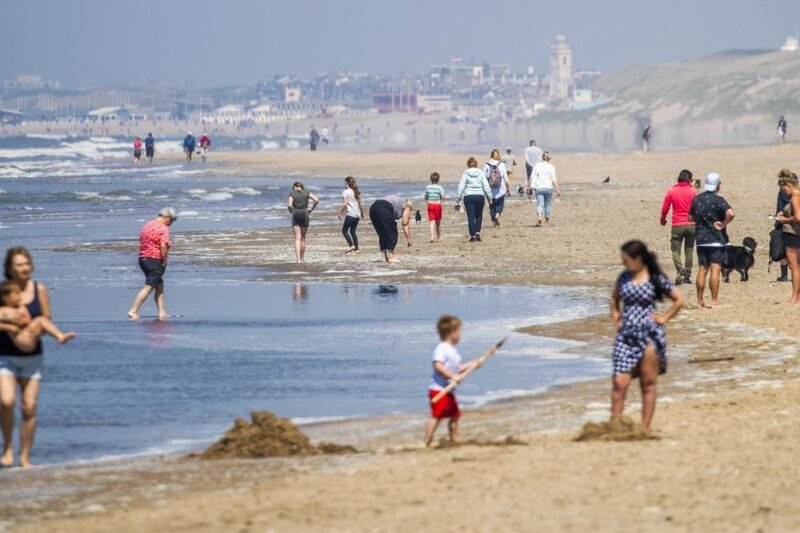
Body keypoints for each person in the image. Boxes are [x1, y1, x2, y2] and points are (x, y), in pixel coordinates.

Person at [610, 240, 684, 430]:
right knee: (619, 382)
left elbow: (678, 299)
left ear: (638, 259)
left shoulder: (655, 278)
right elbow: (614, 298)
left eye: (626, 260)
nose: (624, 263)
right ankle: (615, 425)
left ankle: (645, 427)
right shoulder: (624, 278)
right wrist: (617, 317)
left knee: (648, 383)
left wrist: (665, 317)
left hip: (649, 334)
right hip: (625, 336)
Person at [0, 247, 53, 468]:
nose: (24, 268)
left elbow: (47, 317)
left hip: (33, 357)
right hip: (5, 356)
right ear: (10, 268)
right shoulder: (3, 291)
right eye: (19, 264)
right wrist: (12, 326)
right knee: (7, 401)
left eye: (27, 263)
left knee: (29, 406)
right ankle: (9, 448)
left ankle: (25, 457)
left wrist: (34, 328)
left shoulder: (38, 288)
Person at [424, 315, 483, 446]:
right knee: (437, 416)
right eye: (459, 331)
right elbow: (438, 366)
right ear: (451, 333)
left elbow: (458, 369)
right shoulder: (441, 348)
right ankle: (427, 440)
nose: (460, 334)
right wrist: (452, 377)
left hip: (449, 390)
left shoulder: (453, 351)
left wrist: (473, 364)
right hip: (438, 389)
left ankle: (454, 439)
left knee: (455, 415)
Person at [689, 173, 735, 309]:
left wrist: (701, 220)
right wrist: (723, 223)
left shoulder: (697, 199)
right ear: (717, 186)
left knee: (702, 269)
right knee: (715, 269)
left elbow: (690, 217)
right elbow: (731, 213)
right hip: (716, 238)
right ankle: (714, 301)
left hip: (701, 238)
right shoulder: (719, 200)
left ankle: (699, 301)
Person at [127, 208, 178, 320]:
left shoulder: (147, 225)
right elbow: (163, 245)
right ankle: (133, 310)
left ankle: (162, 312)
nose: (171, 224)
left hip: (143, 259)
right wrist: (164, 259)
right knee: (149, 287)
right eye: (171, 221)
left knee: (159, 284)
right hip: (154, 259)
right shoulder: (163, 228)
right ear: (167, 218)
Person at [0, 282, 74, 353]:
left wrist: (25, 321)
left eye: (20, 292)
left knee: (41, 319)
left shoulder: (22, 307)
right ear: (6, 297)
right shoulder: (3, 310)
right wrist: (9, 327)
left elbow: (28, 320)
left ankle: (60, 336)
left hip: (29, 334)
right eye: (16, 293)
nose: (20, 295)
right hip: (21, 339)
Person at [660, 169, 697, 285]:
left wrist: (662, 220)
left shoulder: (672, 191)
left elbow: (665, 208)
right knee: (689, 250)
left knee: (675, 250)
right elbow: (698, 208)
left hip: (677, 225)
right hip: (691, 225)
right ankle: (687, 276)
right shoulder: (694, 191)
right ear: (689, 180)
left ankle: (680, 268)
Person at [775, 173, 800, 303]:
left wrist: (784, 220)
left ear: (789, 185)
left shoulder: (795, 197)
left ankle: (795, 296)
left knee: (794, 267)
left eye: (783, 189)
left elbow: (798, 217)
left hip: (794, 235)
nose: (783, 192)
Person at [456, 157, 492, 242]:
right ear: (476, 164)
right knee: (479, 215)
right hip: (479, 196)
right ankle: (477, 233)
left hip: (468, 197)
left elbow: (461, 187)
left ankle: (472, 236)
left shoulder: (465, 173)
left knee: (471, 217)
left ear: (468, 165)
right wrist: (490, 197)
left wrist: (458, 198)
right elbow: (486, 185)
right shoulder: (481, 173)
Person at [369, 195, 413, 263]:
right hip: (384, 208)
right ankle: (391, 256)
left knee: (382, 233)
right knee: (392, 232)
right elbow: (405, 223)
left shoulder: (398, 201)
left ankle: (383, 256)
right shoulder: (407, 206)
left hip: (373, 207)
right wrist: (408, 239)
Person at [288, 182, 320, 265]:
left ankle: (298, 260)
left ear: (295, 187)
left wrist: (291, 211)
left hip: (296, 214)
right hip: (305, 214)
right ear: (302, 187)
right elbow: (316, 200)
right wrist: (311, 209)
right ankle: (302, 258)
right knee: (303, 238)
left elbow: (289, 205)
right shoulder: (307, 192)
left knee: (297, 238)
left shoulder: (292, 193)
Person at [528, 151, 561, 227]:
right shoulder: (551, 167)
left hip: (539, 187)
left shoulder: (537, 165)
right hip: (548, 188)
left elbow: (532, 177)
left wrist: (528, 186)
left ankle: (539, 216)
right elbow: (554, 179)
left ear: (542, 157)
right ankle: (547, 221)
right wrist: (557, 190)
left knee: (540, 204)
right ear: (549, 158)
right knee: (548, 205)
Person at [775, 169, 794, 282]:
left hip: (785, 224)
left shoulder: (782, 193)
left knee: (784, 250)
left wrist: (778, 221)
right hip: (795, 225)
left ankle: (784, 275)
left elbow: (779, 208)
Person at [484, 149, 510, 227]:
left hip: (490, 189)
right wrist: (508, 187)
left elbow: (484, 177)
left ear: (491, 155)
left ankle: (493, 222)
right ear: (498, 155)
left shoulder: (487, 164)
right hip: (500, 189)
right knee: (500, 204)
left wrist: (485, 188)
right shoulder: (501, 164)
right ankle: (497, 216)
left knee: (492, 206)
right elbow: (505, 177)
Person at [339, 176, 364, 255]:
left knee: (344, 231)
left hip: (350, 214)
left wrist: (340, 213)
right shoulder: (357, 191)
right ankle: (356, 248)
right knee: (353, 231)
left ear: (347, 183)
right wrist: (362, 213)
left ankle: (351, 245)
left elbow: (345, 204)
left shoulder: (345, 192)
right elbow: (360, 204)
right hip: (357, 215)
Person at [424, 172, 446, 243]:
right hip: (437, 205)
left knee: (432, 221)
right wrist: (442, 197)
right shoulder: (440, 187)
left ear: (431, 179)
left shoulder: (428, 187)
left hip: (430, 205)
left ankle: (431, 237)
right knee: (438, 222)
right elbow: (442, 197)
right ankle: (438, 237)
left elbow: (425, 197)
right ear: (438, 180)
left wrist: (428, 197)